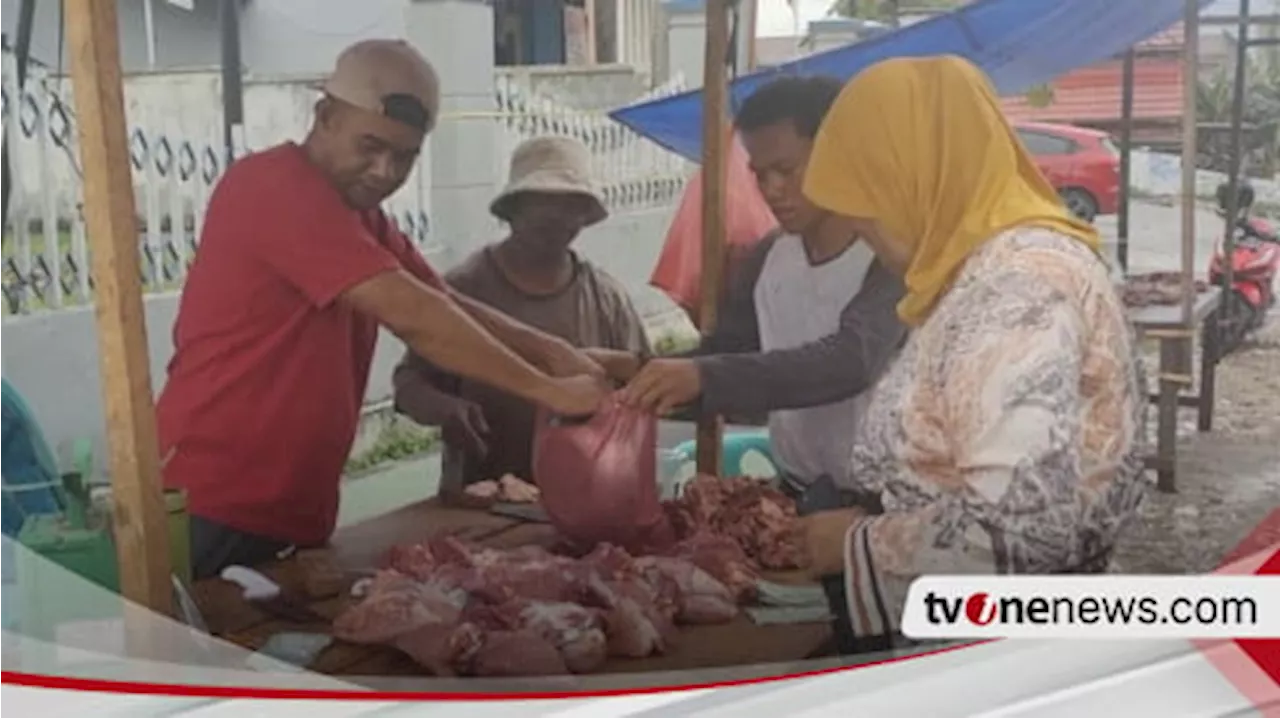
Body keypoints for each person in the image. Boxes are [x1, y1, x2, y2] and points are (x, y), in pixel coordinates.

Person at [157, 40, 609, 581]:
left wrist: (554, 352)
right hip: (208, 502)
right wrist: (549, 389)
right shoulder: (273, 187)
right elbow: (414, 316)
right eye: (370, 145)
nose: (383, 170)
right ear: (324, 116)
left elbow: (441, 299)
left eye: (404, 156)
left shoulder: (361, 217)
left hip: (293, 510)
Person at [795, 56, 1149, 645]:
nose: (870, 244)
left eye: (868, 219)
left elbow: (1017, 533)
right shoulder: (986, 270)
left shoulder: (1014, 292)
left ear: (916, 178)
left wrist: (858, 543)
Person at [600, 75, 907, 497]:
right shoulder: (767, 257)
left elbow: (852, 360)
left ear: (840, 154)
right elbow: (731, 352)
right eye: (760, 175)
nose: (771, 190)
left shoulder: (891, 258)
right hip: (797, 489)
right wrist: (629, 371)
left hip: (883, 504)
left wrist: (702, 375)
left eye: (786, 170)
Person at [392, 136, 651, 497]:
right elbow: (409, 382)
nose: (555, 217)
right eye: (542, 201)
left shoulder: (607, 298)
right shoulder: (465, 289)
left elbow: (643, 384)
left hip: (583, 495)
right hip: (483, 495)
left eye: (570, 205)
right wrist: (445, 409)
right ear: (513, 208)